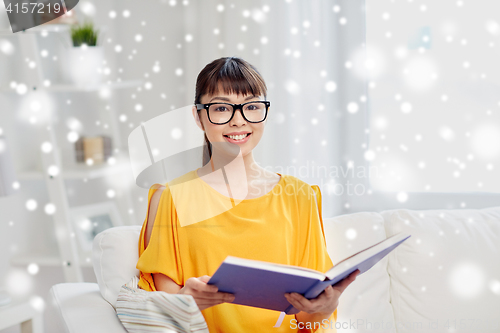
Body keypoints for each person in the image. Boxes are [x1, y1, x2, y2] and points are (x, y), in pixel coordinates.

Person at [136, 56, 359, 332]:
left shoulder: (300, 197)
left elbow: (307, 319)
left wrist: (326, 306)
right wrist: (185, 301)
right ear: (198, 116)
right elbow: (163, 312)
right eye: (221, 108)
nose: (238, 120)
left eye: (251, 106)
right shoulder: (174, 198)